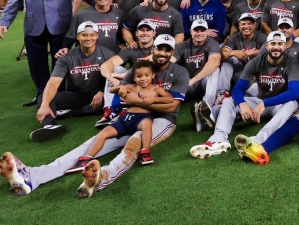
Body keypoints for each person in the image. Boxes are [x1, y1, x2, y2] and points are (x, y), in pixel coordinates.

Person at [0, 34, 188, 198]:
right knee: (91, 144)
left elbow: (172, 105)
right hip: (129, 117)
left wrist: (137, 100)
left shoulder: (179, 72)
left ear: (172, 53)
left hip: (162, 120)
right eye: (159, 48)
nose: (163, 53)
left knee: (135, 142)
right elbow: (122, 96)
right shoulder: (140, 69)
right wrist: (131, 98)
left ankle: (101, 176)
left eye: (167, 50)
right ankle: (33, 176)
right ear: (153, 48)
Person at [0, 0, 94, 104]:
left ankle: (59, 95)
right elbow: (15, 1)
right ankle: (42, 95)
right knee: (37, 64)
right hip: (33, 27)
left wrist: (103, 3)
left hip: (60, 26)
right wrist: (4, 21)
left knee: (61, 62)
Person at [190, 31, 299, 163]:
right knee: (230, 101)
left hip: (278, 105)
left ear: (285, 46)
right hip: (260, 101)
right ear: (266, 46)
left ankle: (258, 140)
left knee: (292, 103)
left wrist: (265, 104)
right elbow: (238, 89)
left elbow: (294, 92)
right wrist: (242, 104)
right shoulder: (256, 62)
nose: (276, 47)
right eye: (273, 44)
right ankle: (218, 140)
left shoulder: (291, 63)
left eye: (280, 44)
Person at [64, 61, 173, 171]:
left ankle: (145, 152)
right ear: (134, 78)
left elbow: (169, 99)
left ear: (153, 75)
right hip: (125, 118)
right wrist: (121, 88)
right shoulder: (130, 86)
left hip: (142, 117)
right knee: (103, 133)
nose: (143, 79)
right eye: (139, 76)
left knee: (147, 125)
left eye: (146, 75)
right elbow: (112, 90)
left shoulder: (155, 89)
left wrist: (154, 99)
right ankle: (86, 159)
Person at [30, 21, 111, 141]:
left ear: (97, 36)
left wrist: (101, 91)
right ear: (77, 37)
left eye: (92, 35)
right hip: (76, 95)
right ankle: (50, 125)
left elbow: (113, 77)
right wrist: (45, 105)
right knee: (43, 97)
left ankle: (70, 112)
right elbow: (53, 82)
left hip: (99, 96)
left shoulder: (107, 54)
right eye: (84, 35)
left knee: (116, 100)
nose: (88, 38)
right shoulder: (66, 57)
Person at [59, 0, 125, 54]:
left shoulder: (119, 14)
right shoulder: (82, 14)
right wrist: (65, 47)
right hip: (88, 57)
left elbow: (120, 33)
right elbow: (71, 35)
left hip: (112, 56)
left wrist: (122, 43)